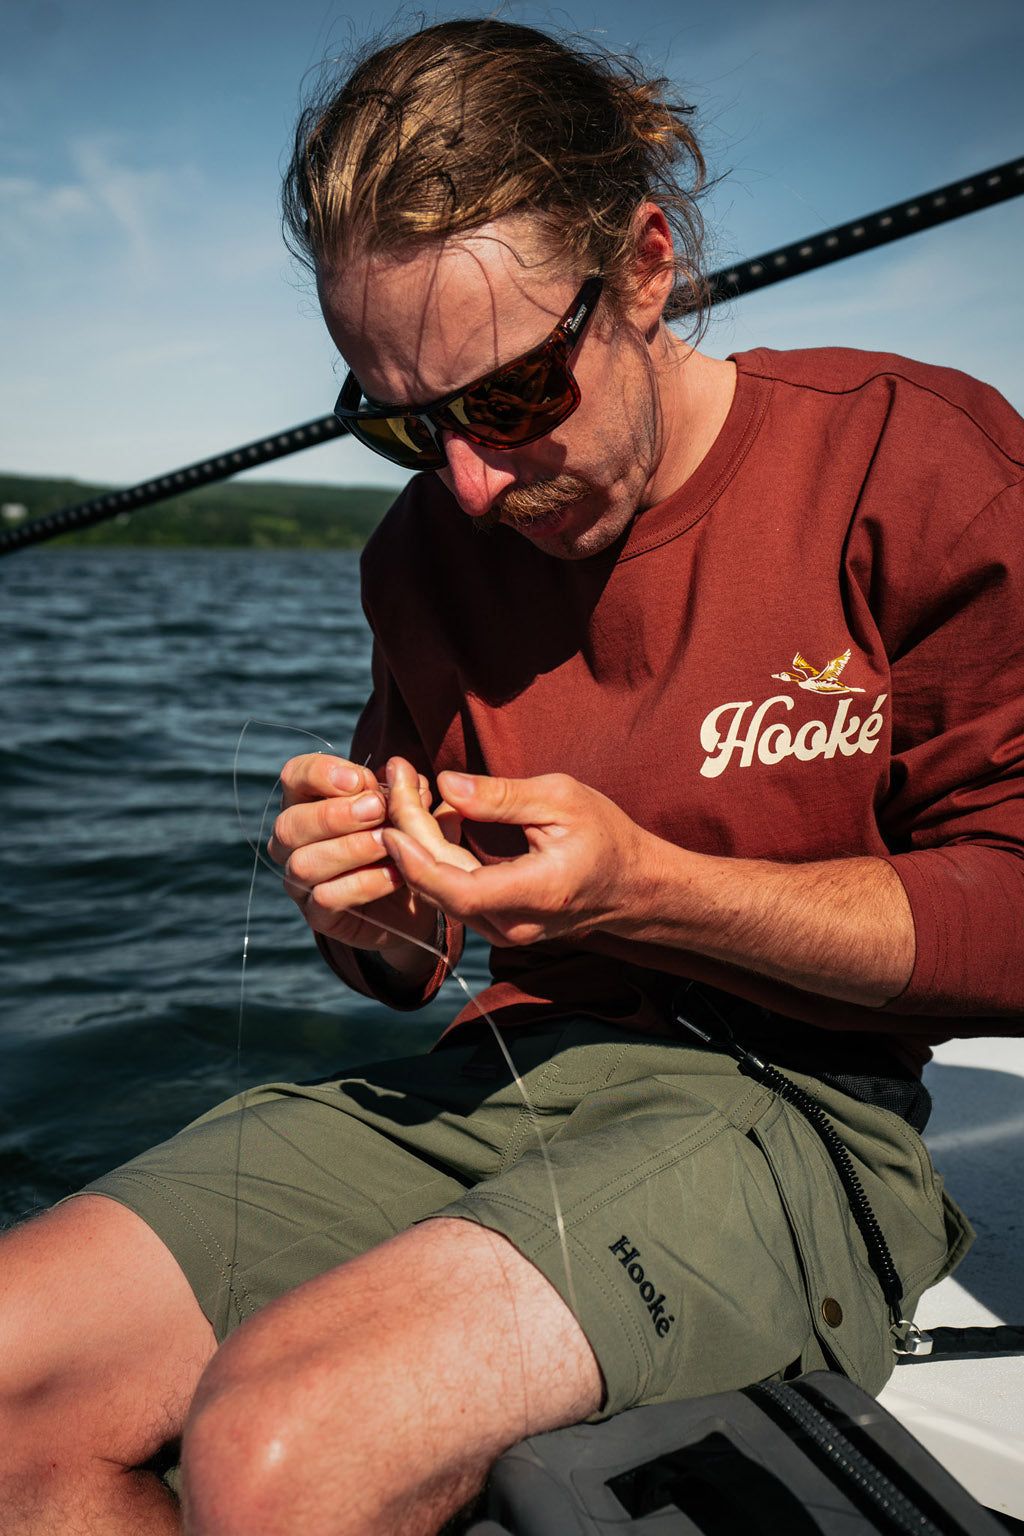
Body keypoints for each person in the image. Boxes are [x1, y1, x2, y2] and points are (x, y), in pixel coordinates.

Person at [2, 17, 1022, 1536]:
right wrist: (364, 910)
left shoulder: (913, 464)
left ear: (650, 269)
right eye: (403, 424)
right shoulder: (426, 553)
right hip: (507, 1076)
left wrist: (655, 889)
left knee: (282, 1450)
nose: (471, 480)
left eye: (510, 396)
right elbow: (407, 968)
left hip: (810, 1107)